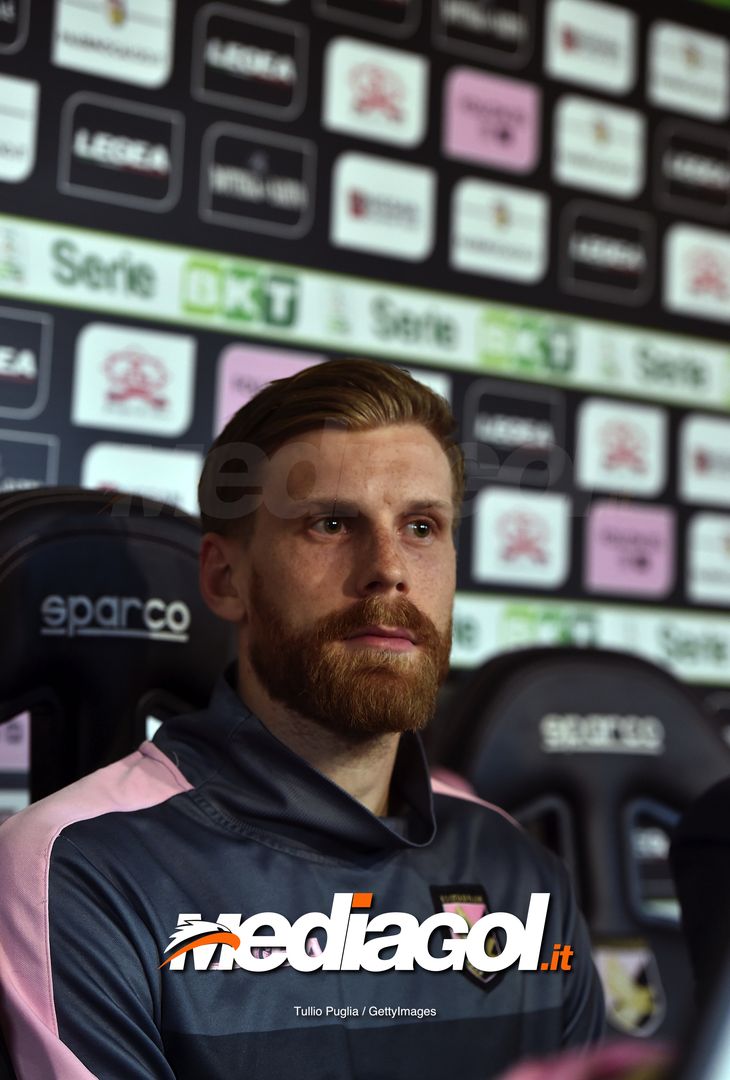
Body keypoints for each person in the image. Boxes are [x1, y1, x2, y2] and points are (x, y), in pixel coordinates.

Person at [0, 359, 604, 1079]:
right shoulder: (76, 867)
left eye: (420, 525)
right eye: (331, 523)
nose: (389, 568)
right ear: (227, 579)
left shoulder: (515, 866)